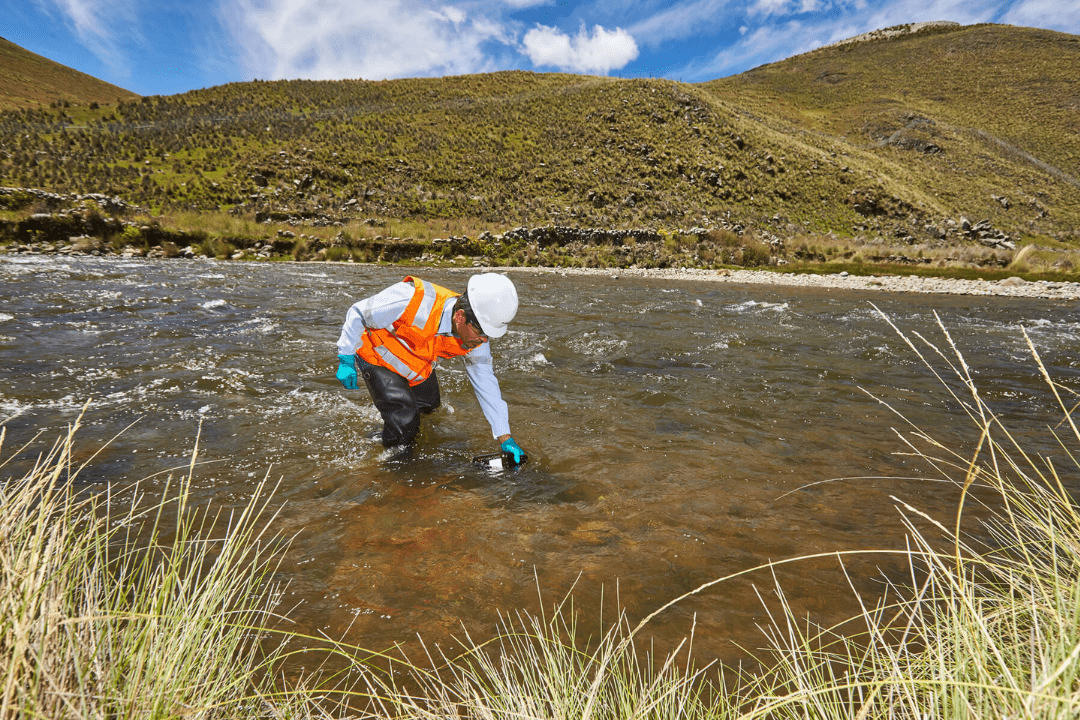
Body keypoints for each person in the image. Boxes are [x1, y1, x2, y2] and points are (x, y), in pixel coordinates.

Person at [335, 273, 526, 462]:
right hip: (376, 356)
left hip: (416, 366)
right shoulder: (410, 297)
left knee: (430, 409)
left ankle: (388, 433)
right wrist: (346, 358)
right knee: (405, 420)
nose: (484, 340)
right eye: (481, 332)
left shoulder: (476, 337)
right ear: (460, 317)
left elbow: (486, 382)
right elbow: (358, 313)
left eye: (489, 335)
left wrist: (505, 437)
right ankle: (393, 467)